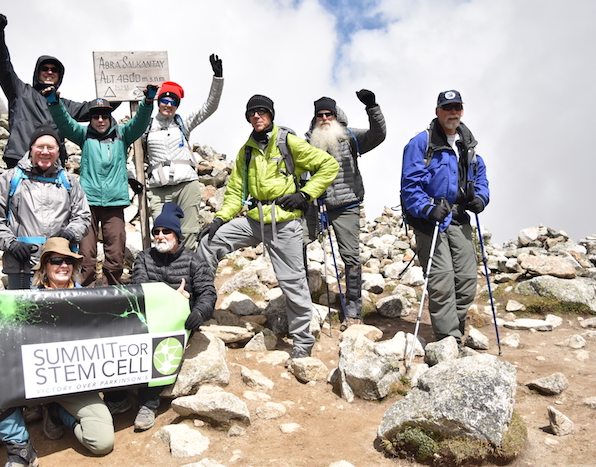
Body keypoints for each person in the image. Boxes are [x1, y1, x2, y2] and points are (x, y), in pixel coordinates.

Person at [0, 238, 115, 466]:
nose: (63, 265)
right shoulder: (22, 301)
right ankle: (20, 448)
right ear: (45, 267)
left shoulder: (90, 299)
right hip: (31, 381)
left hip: (73, 383)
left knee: (102, 443)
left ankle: (58, 412)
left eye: (68, 260)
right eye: (56, 260)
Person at [198, 95, 339, 359]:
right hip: (254, 219)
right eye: (252, 113)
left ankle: (302, 341)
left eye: (262, 112)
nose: (257, 116)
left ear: (271, 115)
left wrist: (305, 194)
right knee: (209, 242)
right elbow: (235, 191)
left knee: (293, 282)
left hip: (285, 222)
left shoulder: (288, 142)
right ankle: (202, 304)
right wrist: (220, 219)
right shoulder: (247, 150)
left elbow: (328, 165)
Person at [103, 202, 217, 431]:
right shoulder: (144, 258)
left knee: (163, 345)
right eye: (156, 232)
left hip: (178, 324)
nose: (160, 236)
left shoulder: (195, 261)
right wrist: (171, 295)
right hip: (147, 317)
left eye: (166, 232)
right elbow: (139, 287)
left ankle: (149, 402)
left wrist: (198, 311)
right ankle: (117, 397)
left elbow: (208, 293)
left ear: (177, 234)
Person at [400, 89, 490, 344]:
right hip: (430, 221)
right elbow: (410, 185)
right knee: (441, 280)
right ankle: (447, 338)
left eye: (457, 108)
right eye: (447, 108)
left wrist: (480, 199)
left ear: (462, 110)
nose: (453, 113)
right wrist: (427, 208)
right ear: (437, 111)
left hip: (460, 218)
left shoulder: (467, 144)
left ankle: (456, 328)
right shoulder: (421, 142)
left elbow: (480, 175)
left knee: (467, 279)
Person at [45, 86, 156, 286]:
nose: (100, 120)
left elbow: (140, 123)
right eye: (96, 116)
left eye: (104, 115)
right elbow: (64, 122)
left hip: (114, 203)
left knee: (116, 252)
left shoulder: (123, 134)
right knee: (86, 254)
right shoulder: (83, 135)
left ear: (110, 116)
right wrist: (54, 102)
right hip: (87, 204)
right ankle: (84, 292)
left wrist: (148, 102)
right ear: (91, 119)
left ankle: (110, 291)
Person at [304, 90, 386, 322]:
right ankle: (302, 300)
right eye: (320, 115)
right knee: (298, 241)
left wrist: (373, 107)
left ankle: (353, 310)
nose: (325, 118)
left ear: (336, 115)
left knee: (351, 257)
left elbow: (378, 135)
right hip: (315, 205)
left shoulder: (350, 137)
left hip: (346, 206)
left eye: (329, 114)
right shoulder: (307, 141)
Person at [0, 124, 90, 291]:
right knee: (23, 315)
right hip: (22, 266)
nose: (45, 151)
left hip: (60, 264)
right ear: (31, 149)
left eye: (51, 147)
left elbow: (83, 217)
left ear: (58, 151)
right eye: (40, 147)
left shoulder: (69, 182)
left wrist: (70, 233)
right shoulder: (11, 179)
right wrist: (11, 244)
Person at [142, 55, 224, 250]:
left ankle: (186, 274)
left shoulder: (182, 123)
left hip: (187, 184)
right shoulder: (146, 126)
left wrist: (217, 78)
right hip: (159, 187)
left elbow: (209, 107)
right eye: (165, 100)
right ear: (158, 101)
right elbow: (132, 154)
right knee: (162, 233)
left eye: (173, 101)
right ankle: (164, 274)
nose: (169, 105)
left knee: (187, 233)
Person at [0, 13, 93, 168]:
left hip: (53, 167)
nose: (49, 72)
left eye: (54, 70)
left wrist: (121, 94)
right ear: (37, 72)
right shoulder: (20, 92)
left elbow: (94, 109)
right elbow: (1, 66)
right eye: (45, 68)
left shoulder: (65, 105)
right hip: (21, 162)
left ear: (60, 76)